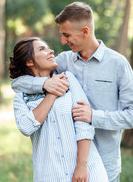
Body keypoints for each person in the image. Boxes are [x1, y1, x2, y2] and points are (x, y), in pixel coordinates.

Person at [12, 2, 133, 182]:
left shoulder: (118, 64)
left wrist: (93, 116)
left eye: (66, 35)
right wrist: (45, 84)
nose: (62, 41)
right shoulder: (63, 62)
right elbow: (19, 83)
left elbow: (131, 116)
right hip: (66, 166)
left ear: (85, 31)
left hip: (105, 164)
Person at [9, 37, 108, 182]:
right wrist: (52, 93)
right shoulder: (21, 98)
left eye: (48, 47)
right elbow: (26, 127)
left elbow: (83, 125)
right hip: (50, 174)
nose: (51, 51)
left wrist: (81, 166)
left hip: (88, 170)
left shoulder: (67, 79)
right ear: (29, 61)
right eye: (42, 49)